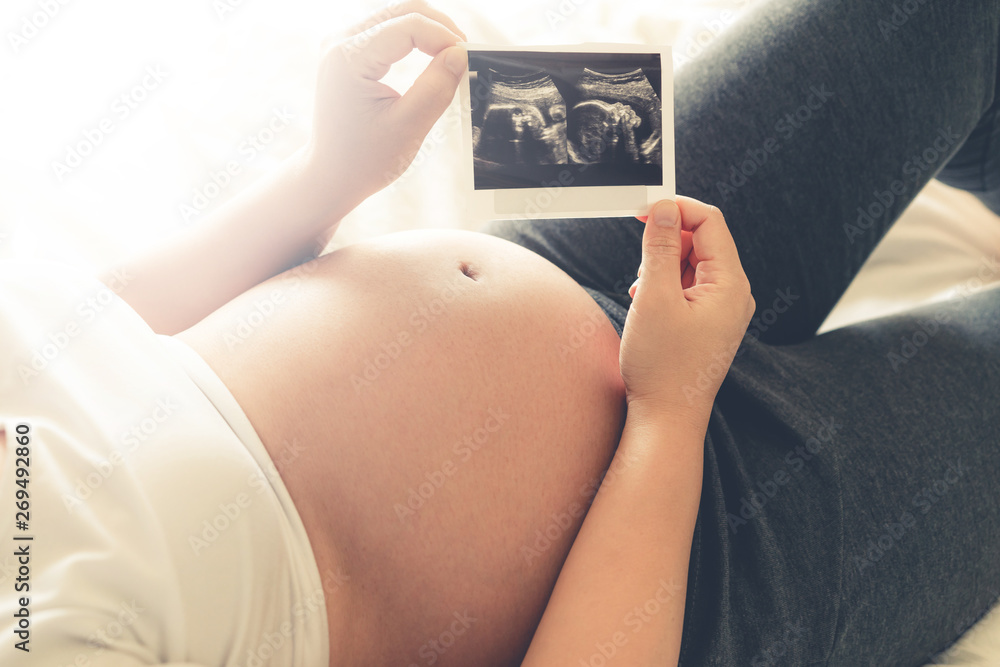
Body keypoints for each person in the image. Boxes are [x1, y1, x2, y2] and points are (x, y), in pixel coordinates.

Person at [1, 0, 999, 666]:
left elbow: (90, 345)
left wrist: (325, 179)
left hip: (576, 245)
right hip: (705, 555)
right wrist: (668, 414)